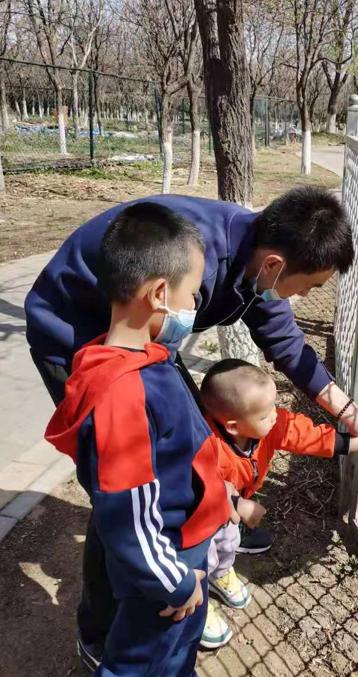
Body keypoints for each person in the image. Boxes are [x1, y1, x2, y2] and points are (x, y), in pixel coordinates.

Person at [25, 185, 358, 666]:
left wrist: (346, 411)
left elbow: (286, 342)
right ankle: (106, 627)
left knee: (187, 446)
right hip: (76, 330)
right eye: (310, 287)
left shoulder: (255, 261)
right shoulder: (196, 260)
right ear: (276, 265)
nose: (301, 298)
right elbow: (122, 494)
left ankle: (210, 534)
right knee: (121, 489)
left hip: (143, 338)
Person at [44, 203, 232, 675]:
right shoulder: (122, 391)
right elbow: (127, 512)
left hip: (184, 553)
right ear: (160, 294)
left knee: (176, 654)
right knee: (140, 661)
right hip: (165, 571)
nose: (194, 309)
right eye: (193, 296)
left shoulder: (143, 357)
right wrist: (175, 583)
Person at [197, 358, 358, 647]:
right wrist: (237, 503)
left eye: (274, 407)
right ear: (233, 426)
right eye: (265, 414)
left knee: (228, 542)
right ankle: (197, 605)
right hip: (201, 514)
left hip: (232, 509)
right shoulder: (205, 443)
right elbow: (199, 481)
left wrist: (350, 444)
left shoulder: (269, 425)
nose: (275, 416)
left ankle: (220, 574)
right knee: (201, 556)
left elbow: (302, 434)